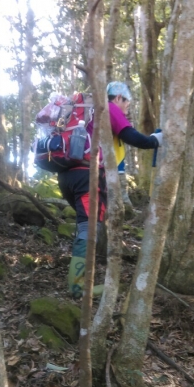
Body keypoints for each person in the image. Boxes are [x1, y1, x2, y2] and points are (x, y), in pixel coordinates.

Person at [58, 81, 163, 299]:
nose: (127, 107)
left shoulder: (92, 112)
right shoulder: (109, 109)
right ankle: (78, 287)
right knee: (88, 230)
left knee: (87, 226)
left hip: (68, 176)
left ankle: (80, 281)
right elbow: (134, 138)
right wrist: (155, 140)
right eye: (127, 102)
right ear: (118, 98)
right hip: (87, 176)